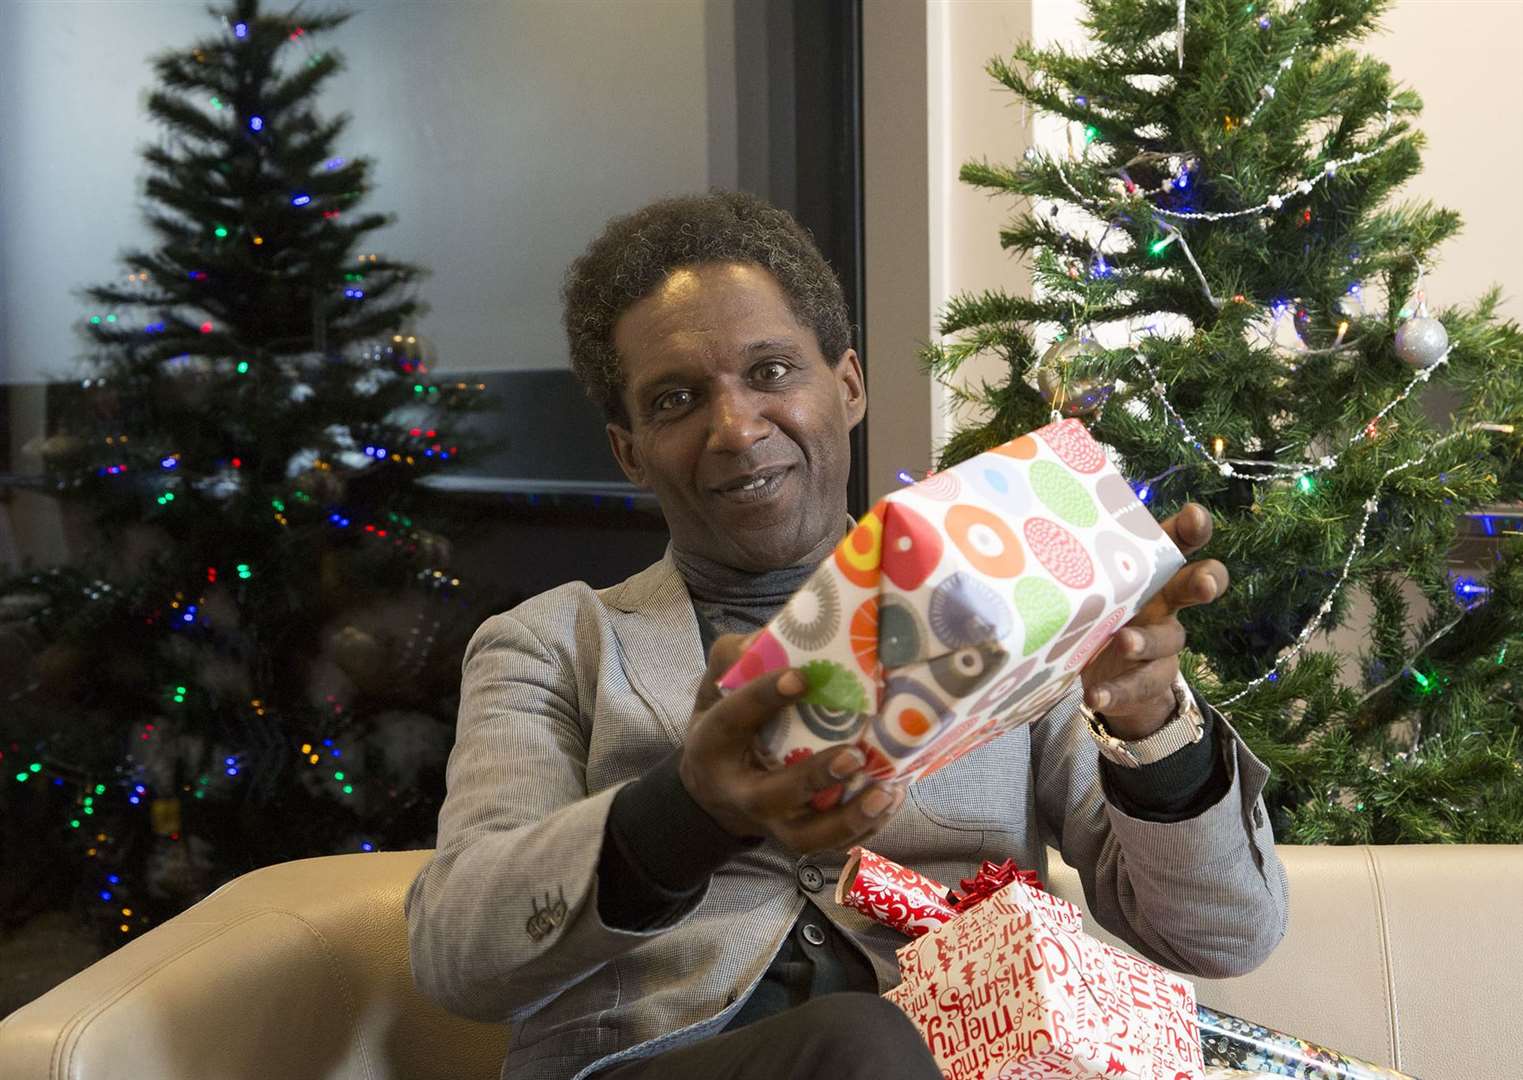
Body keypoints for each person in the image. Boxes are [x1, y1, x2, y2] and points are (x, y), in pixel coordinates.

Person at [405, 191, 1289, 1080]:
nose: (737, 428)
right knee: (860, 1041)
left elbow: (1221, 933)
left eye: (771, 372)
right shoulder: (553, 643)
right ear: (630, 450)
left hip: (959, 1057)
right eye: (675, 400)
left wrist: (1147, 724)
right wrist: (684, 813)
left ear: (850, 384)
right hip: (660, 1065)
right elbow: (459, 955)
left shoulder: (1003, 605)